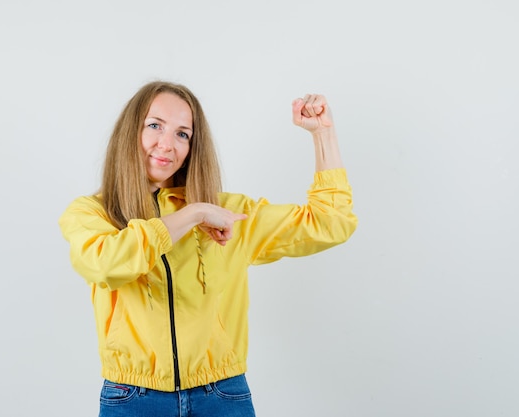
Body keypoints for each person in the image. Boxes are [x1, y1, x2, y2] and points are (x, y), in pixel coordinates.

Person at [58, 80, 358, 417]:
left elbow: (331, 221)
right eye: (154, 125)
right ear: (130, 131)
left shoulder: (227, 214)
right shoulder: (92, 213)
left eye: (182, 134)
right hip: (132, 397)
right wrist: (193, 214)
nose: (166, 144)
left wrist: (323, 134)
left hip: (222, 395)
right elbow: (104, 265)